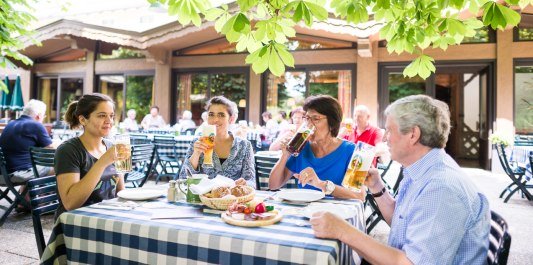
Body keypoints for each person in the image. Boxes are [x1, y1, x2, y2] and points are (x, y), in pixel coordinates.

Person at [310, 95, 490, 264]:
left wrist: (343, 230)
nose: (385, 138)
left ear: (413, 134)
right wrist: (377, 187)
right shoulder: (423, 169)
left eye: (389, 130)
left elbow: (409, 262)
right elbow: (402, 222)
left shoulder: (440, 187)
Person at [269, 95, 365, 200]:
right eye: (307, 119)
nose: (309, 124)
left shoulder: (352, 151)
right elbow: (273, 185)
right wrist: (285, 155)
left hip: (336, 214)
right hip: (303, 211)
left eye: (315, 119)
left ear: (332, 124)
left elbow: (359, 196)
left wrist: (320, 184)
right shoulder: (301, 148)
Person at [54, 93, 125, 219]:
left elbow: (120, 193)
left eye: (111, 116)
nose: (109, 121)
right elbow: (70, 203)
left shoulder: (111, 147)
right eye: (102, 115)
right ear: (82, 120)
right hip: (76, 222)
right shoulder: (68, 150)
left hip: (108, 217)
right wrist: (103, 162)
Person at [179, 96, 256, 187]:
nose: (215, 120)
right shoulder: (198, 142)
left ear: (231, 119)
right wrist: (196, 154)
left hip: (232, 199)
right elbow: (183, 179)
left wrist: (245, 183)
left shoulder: (244, 145)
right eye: (211, 114)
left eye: (221, 115)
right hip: (203, 199)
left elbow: (251, 182)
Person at [0, 99, 56, 210]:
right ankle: (48, 202)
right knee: (60, 167)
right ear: (39, 116)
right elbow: (51, 150)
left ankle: (24, 202)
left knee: (29, 165)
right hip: (16, 175)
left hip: (3, 175)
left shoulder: (10, 124)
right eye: (44, 117)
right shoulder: (35, 125)